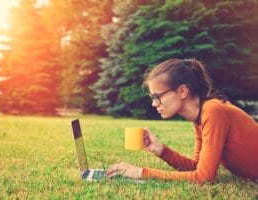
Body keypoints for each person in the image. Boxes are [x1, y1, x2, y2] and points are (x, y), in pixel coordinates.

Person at [106, 58, 258, 184]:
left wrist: (139, 172)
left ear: (182, 91)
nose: (154, 104)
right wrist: (161, 150)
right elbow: (197, 168)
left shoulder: (213, 111)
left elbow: (203, 178)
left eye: (157, 96)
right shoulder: (200, 116)